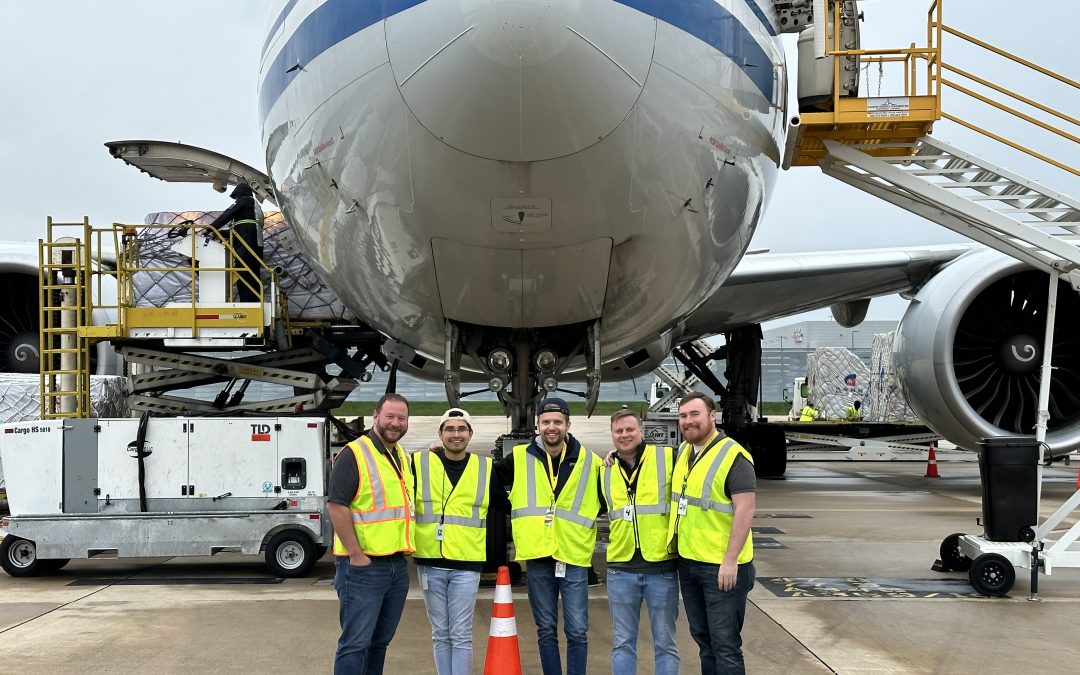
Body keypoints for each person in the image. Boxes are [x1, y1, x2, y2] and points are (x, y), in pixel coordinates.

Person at [494, 397, 601, 675]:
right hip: (539, 556)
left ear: (567, 424)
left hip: (573, 556)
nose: (551, 427)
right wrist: (511, 506)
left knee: (577, 631)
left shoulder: (592, 461)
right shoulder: (519, 457)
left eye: (557, 422)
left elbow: (606, 497)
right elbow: (487, 481)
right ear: (537, 425)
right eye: (546, 422)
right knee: (546, 630)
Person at [669, 392, 756, 675]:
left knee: (725, 645)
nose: (688, 421)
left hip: (721, 568)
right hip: (690, 562)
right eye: (683, 416)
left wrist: (730, 560)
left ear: (711, 416)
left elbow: (745, 509)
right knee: (704, 641)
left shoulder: (734, 456)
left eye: (695, 414)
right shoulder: (684, 451)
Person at [327, 393, 414, 675]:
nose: (395, 423)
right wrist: (356, 555)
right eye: (389, 416)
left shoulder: (399, 454)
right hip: (363, 567)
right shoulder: (355, 453)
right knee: (355, 644)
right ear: (375, 416)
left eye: (401, 418)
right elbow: (336, 505)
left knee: (379, 642)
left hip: (395, 566)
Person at [412, 408, 495, 675]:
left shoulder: (486, 467)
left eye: (461, 429)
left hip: (466, 564)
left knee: (460, 634)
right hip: (429, 563)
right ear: (440, 434)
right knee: (440, 633)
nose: (455, 434)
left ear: (470, 434)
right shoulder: (419, 463)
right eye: (449, 429)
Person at [601, 409, 679, 675]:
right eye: (619, 431)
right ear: (612, 435)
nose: (624, 435)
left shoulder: (668, 458)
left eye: (630, 429)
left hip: (661, 568)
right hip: (621, 569)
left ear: (642, 431)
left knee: (665, 644)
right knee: (622, 643)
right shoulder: (605, 470)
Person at [207, 182, 264, 302]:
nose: (236, 199)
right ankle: (254, 302)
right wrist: (223, 234)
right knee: (252, 274)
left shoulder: (245, 200)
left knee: (245, 274)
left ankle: (248, 304)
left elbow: (228, 213)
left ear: (240, 194)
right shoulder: (252, 210)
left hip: (246, 246)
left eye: (236, 197)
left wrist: (211, 228)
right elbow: (241, 229)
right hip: (254, 245)